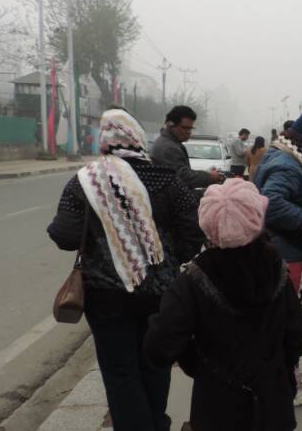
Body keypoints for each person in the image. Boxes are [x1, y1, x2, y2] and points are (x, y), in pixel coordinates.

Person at [47, 108, 204, 431]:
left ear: (105, 141)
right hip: (160, 293)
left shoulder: (86, 181)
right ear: (137, 138)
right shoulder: (167, 180)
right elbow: (193, 229)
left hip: (105, 295)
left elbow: (63, 235)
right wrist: (170, 261)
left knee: (119, 371)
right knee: (155, 363)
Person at [143, 178, 302, 431]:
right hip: (272, 407)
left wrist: (196, 362)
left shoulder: (193, 279)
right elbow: (297, 338)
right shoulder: (277, 269)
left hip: (217, 408)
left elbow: (158, 347)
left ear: (207, 227)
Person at [253, 108, 302, 407]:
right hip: (286, 253)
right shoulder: (288, 166)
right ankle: (285, 383)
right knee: (285, 323)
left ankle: (292, 373)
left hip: (282, 249)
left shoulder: (281, 156)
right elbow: (271, 204)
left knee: (285, 320)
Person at [150, 105, 223, 189]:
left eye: (190, 128)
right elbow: (183, 177)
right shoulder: (168, 147)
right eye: (185, 128)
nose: (189, 132)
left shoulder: (169, 142)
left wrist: (207, 174)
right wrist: (210, 177)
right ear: (170, 125)